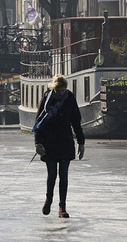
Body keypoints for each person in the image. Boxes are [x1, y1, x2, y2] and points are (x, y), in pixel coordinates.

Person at [34, 74, 85, 218]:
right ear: (54, 89)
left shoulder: (70, 99)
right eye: (58, 91)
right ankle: (48, 199)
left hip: (65, 142)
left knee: (64, 176)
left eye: (63, 91)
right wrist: (37, 143)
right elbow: (39, 122)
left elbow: (76, 122)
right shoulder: (46, 99)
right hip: (49, 142)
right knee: (52, 175)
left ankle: (62, 206)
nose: (60, 93)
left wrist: (81, 143)